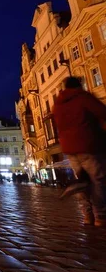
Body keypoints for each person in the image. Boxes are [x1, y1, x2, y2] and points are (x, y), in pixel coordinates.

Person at [53, 76, 106, 226]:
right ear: (79, 86)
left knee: (83, 182)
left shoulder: (58, 103)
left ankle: (87, 215)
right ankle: (101, 215)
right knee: (97, 180)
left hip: (69, 147)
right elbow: (102, 111)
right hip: (88, 144)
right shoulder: (83, 97)